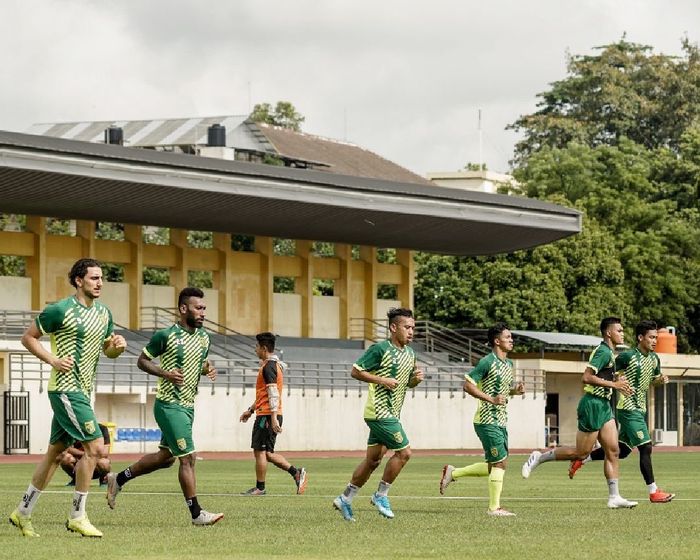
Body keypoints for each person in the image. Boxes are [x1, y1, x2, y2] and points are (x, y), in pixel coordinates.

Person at [10, 258, 127, 538]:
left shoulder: (104, 314)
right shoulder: (60, 310)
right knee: (95, 449)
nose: (99, 283)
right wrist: (52, 359)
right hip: (65, 389)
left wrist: (117, 348)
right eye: (93, 278)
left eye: (101, 279)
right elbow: (28, 337)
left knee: (54, 455)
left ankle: (22, 512)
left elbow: (107, 350)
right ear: (78, 281)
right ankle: (77, 516)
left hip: (84, 391)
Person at [105, 287, 223, 526]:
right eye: (198, 308)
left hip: (188, 406)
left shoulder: (204, 338)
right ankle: (197, 514)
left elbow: (197, 363)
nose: (202, 313)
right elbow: (142, 361)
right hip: (169, 405)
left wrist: (207, 368)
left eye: (204, 309)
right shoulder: (166, 336)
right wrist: (166, 373)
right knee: (188, 458)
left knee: (166, 458)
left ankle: (118, 479)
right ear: (183, 309)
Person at [521, 317, 638, 509]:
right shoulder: (602, 351)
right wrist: (614, 384)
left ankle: (614, 497)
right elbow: (586, 377)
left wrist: (619, 383)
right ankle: (539, 457)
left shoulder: (610, 353)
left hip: (604, 405)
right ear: (609, 333)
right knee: (581, 453)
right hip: (592, 404)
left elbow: (604, 376)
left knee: (613, 451)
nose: (622, 333)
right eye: (619, 330)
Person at [568, 320, 675, 503]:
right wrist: (615, 381)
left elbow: (654, 380)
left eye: (656, 337)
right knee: (646, 447)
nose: (655, 341)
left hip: (640, 409)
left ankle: (582, 460)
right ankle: (654, 492)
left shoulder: (655, 359)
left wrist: (661, 380)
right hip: (627, 407)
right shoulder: (627, 356)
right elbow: (608, 370)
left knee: (623, 450)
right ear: (640, 338)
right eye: (651, 337)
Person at [333, 307, 424, 522]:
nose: (411, 332)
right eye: (407, 327)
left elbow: (405, 383)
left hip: (392, 413)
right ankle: (380, 495)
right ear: (393, 328)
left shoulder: (410, 354)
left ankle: (345, 498)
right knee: (405, 453)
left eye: (413, 328)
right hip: (379, 413)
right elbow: (356, 371)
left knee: (373, 461)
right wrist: (381, 380)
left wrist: (414, 381)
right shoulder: (380, 349)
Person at [439, 323, 524, 516]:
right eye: (507, 337)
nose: (511, 340)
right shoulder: (487, 361)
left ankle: (453, 473)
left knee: (493, 465)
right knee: (500, 463)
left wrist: (514, 391)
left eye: (511, 337)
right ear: (496, 341)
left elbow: (499, 391)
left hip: (500, 420)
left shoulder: (508, 364)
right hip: (487, 420)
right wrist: (491, 400)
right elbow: (468, 385)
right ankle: (494, 508)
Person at [239, 332, 308, 496]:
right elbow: (264, 395)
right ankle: (296, 473)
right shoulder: (271, 365)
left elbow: (273, 393)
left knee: (260, 452)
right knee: (267, 453)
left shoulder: (269, 366)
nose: (255, 349)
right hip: (266, 413)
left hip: (268, 415)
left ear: (263, 348)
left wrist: (274, 418)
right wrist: (250, 410)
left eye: (256, 346)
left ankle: (260, 488)